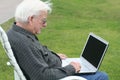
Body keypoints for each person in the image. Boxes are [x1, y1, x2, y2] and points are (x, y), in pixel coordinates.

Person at [7, 0, 109, 80]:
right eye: (43, 21)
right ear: (31, 19)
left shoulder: (18, 32)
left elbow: (36, 55)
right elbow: (42, 76)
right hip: (57, 76)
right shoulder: (23, 42)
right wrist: (71, 68)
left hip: (54, 67)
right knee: (101, 76)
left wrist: (54, 56)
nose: (45, 25)